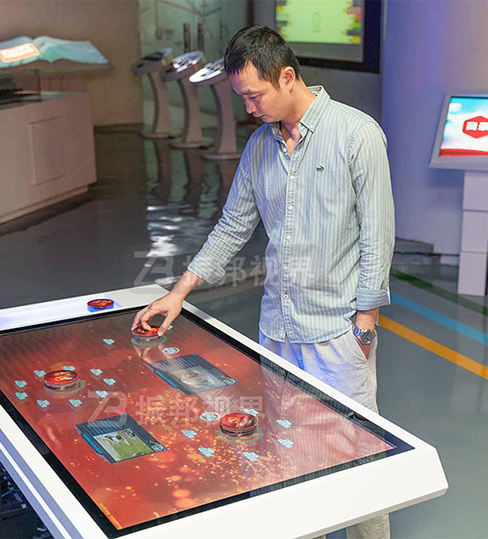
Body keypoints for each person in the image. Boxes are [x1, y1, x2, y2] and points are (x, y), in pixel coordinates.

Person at [133, 25, 394, 538]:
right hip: (278, 331)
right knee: (289, 450)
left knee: (358, 455)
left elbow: (377, 234)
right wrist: (179, 293)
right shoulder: (259, 146)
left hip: (338, 332)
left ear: (287, 76)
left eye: (255, 95)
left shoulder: (356, 134)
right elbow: (233, 225)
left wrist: (365, 323)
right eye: (243, 98)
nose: (249, 108)